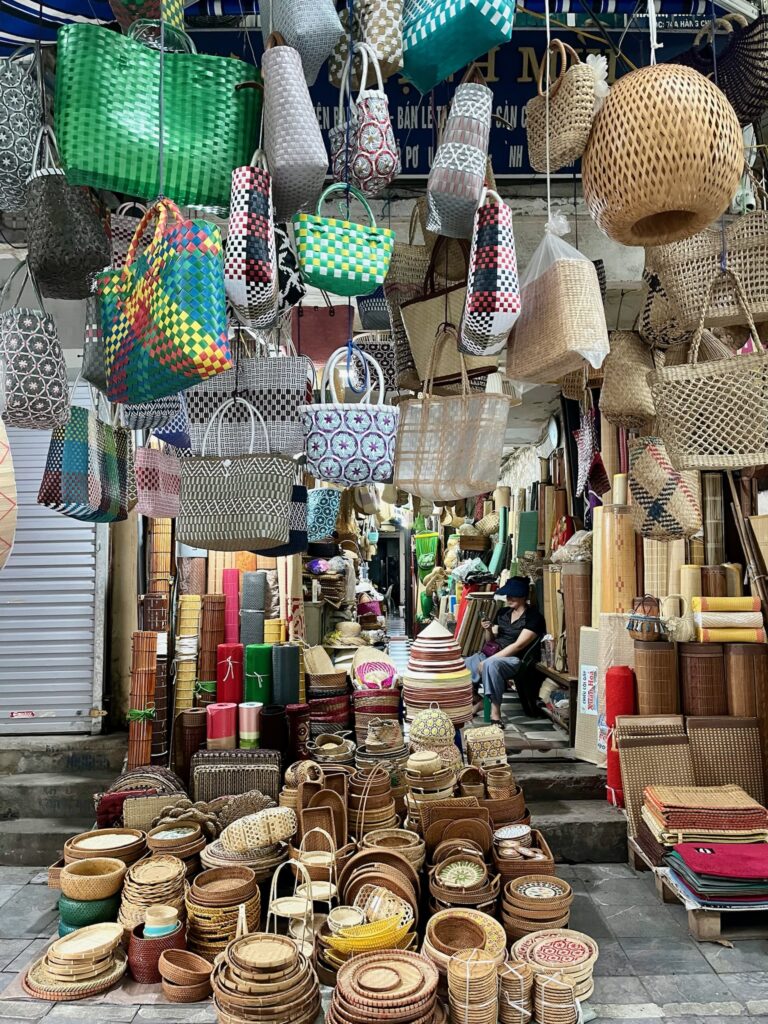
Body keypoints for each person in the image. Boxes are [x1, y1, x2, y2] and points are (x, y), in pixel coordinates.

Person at [464, 577, 546, 725]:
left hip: (513, 659)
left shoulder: (533, 617)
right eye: (507, 595)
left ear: (523, 596)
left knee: (491, 665)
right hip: (491, 653)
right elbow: (490, 641)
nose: (508, 598)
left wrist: (490, 660)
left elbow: (518, 646)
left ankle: (495, 713)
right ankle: (479, 701)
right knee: (460, 666)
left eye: (513, 595)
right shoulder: (503, 613)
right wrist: (488, 629)